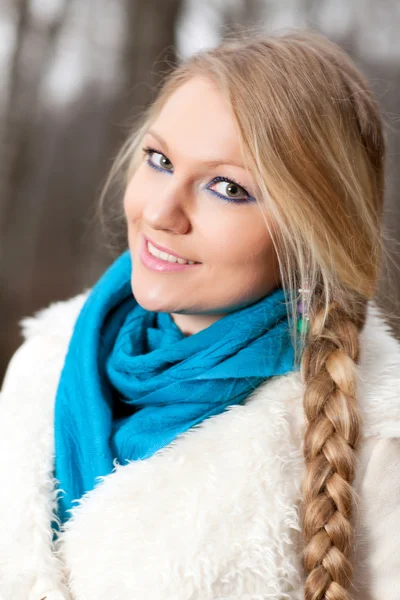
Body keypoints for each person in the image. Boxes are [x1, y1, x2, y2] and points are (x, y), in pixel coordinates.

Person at [0, 28, 399, 600]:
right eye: (159, 160)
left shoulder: (379, 441)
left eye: (227, 188)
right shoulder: (41, 365)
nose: (162, 211)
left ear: (312, 230)